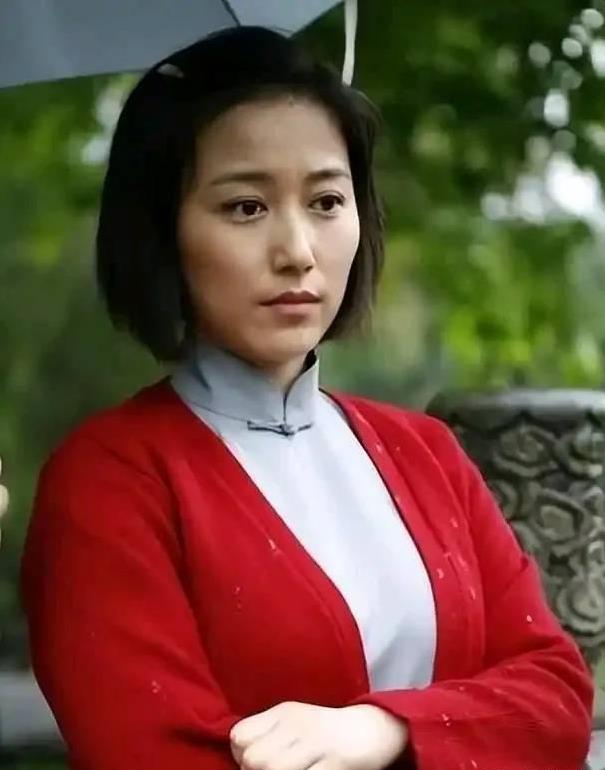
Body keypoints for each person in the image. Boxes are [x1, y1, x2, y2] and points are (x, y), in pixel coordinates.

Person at [20, 26, 593, 770]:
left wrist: (385, 729)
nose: (297, 250)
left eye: (325, 200)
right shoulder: (109, 482)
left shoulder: (425, 451)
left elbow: (557, 696)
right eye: (245, 208)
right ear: (161, 231)